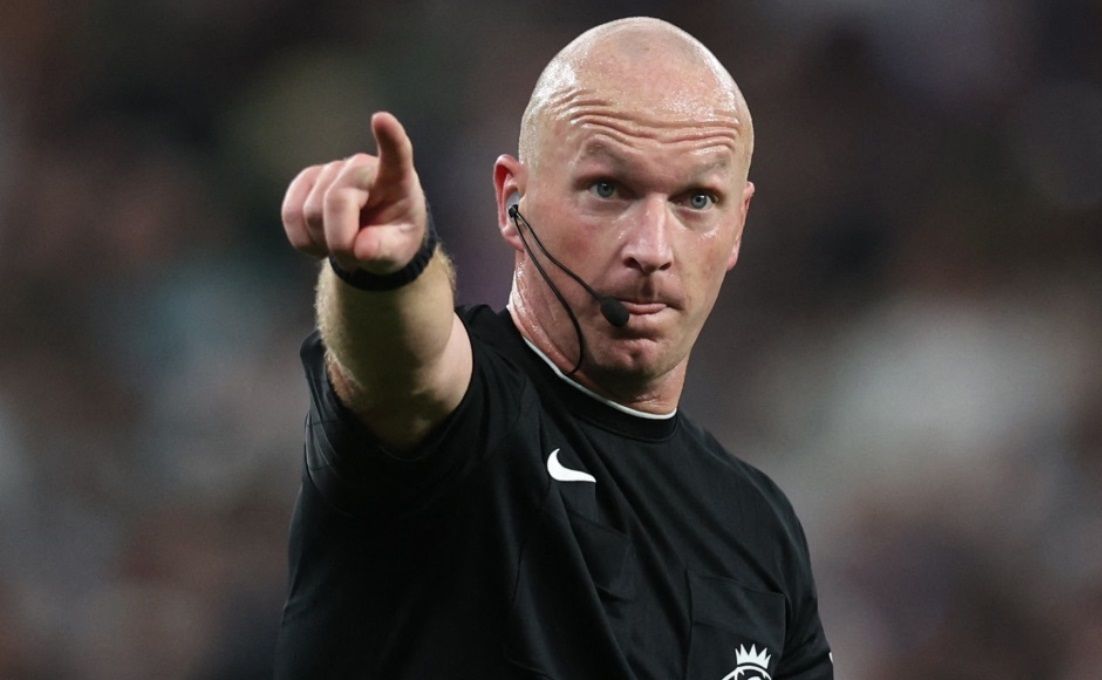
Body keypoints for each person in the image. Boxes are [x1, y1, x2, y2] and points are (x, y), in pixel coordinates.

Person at [274, 17, 833, 679]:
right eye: (608, 189)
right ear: (514, 200)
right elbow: (408, 365)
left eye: (696, 199)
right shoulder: (469, 419)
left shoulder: (757, 530)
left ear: (736, 224)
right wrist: (389, 269)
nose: (652, 249)